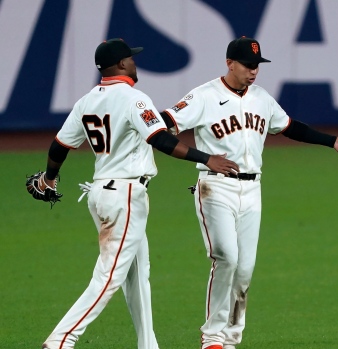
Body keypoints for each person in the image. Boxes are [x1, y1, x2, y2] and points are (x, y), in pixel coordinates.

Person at [39, 38, 238, 349]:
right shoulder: (134, 99)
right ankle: (61, 340)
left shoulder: (86, 101)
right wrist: (206, 158)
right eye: (130, 59)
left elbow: (60, 146)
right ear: (120, 65)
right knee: (109, 277)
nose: (134, 63)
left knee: (137, 276)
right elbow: (160, 140)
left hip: (102, 193)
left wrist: (49, 179)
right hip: (125, 195)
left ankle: (148, 345)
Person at [160, 36, 338, 349]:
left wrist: (332, 141)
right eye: (248, 64)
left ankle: (231, 339)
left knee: (244, 270)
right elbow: (164, 123)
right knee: (227, 258)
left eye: (257, 65)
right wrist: (203, 156)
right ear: (229, 63)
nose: (253, 70)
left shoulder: (261, 97)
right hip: (215, 187)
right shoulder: (204, 95)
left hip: (253, 189)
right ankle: (212, 337)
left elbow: (289, 127)